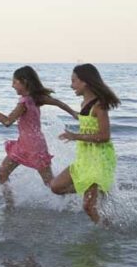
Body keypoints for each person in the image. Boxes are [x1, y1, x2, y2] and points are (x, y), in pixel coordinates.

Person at [0, 66, 77, 187]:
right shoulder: (36, 98)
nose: (12, 85)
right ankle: (10, 205)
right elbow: (59, 103)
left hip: (33, 147)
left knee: (50, 183)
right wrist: (74, 113)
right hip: (25, 144)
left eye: (14, 82)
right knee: (2, 174)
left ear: (24, 82)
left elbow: (7, 122)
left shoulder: (24, 102)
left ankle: (77, 194)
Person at [49, 63, 120, 224]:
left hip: (99, 159)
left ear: (85, 82)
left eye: (74, 81)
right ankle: (96, 190)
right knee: (56, 187)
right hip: (85, 157)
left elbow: (104, 136)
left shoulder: (100, 106)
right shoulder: (84, 105)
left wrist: (75, 136)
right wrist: (58, 104)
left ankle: (107, 232)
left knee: (88, 207)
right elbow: (83, 118)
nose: (71, 85)